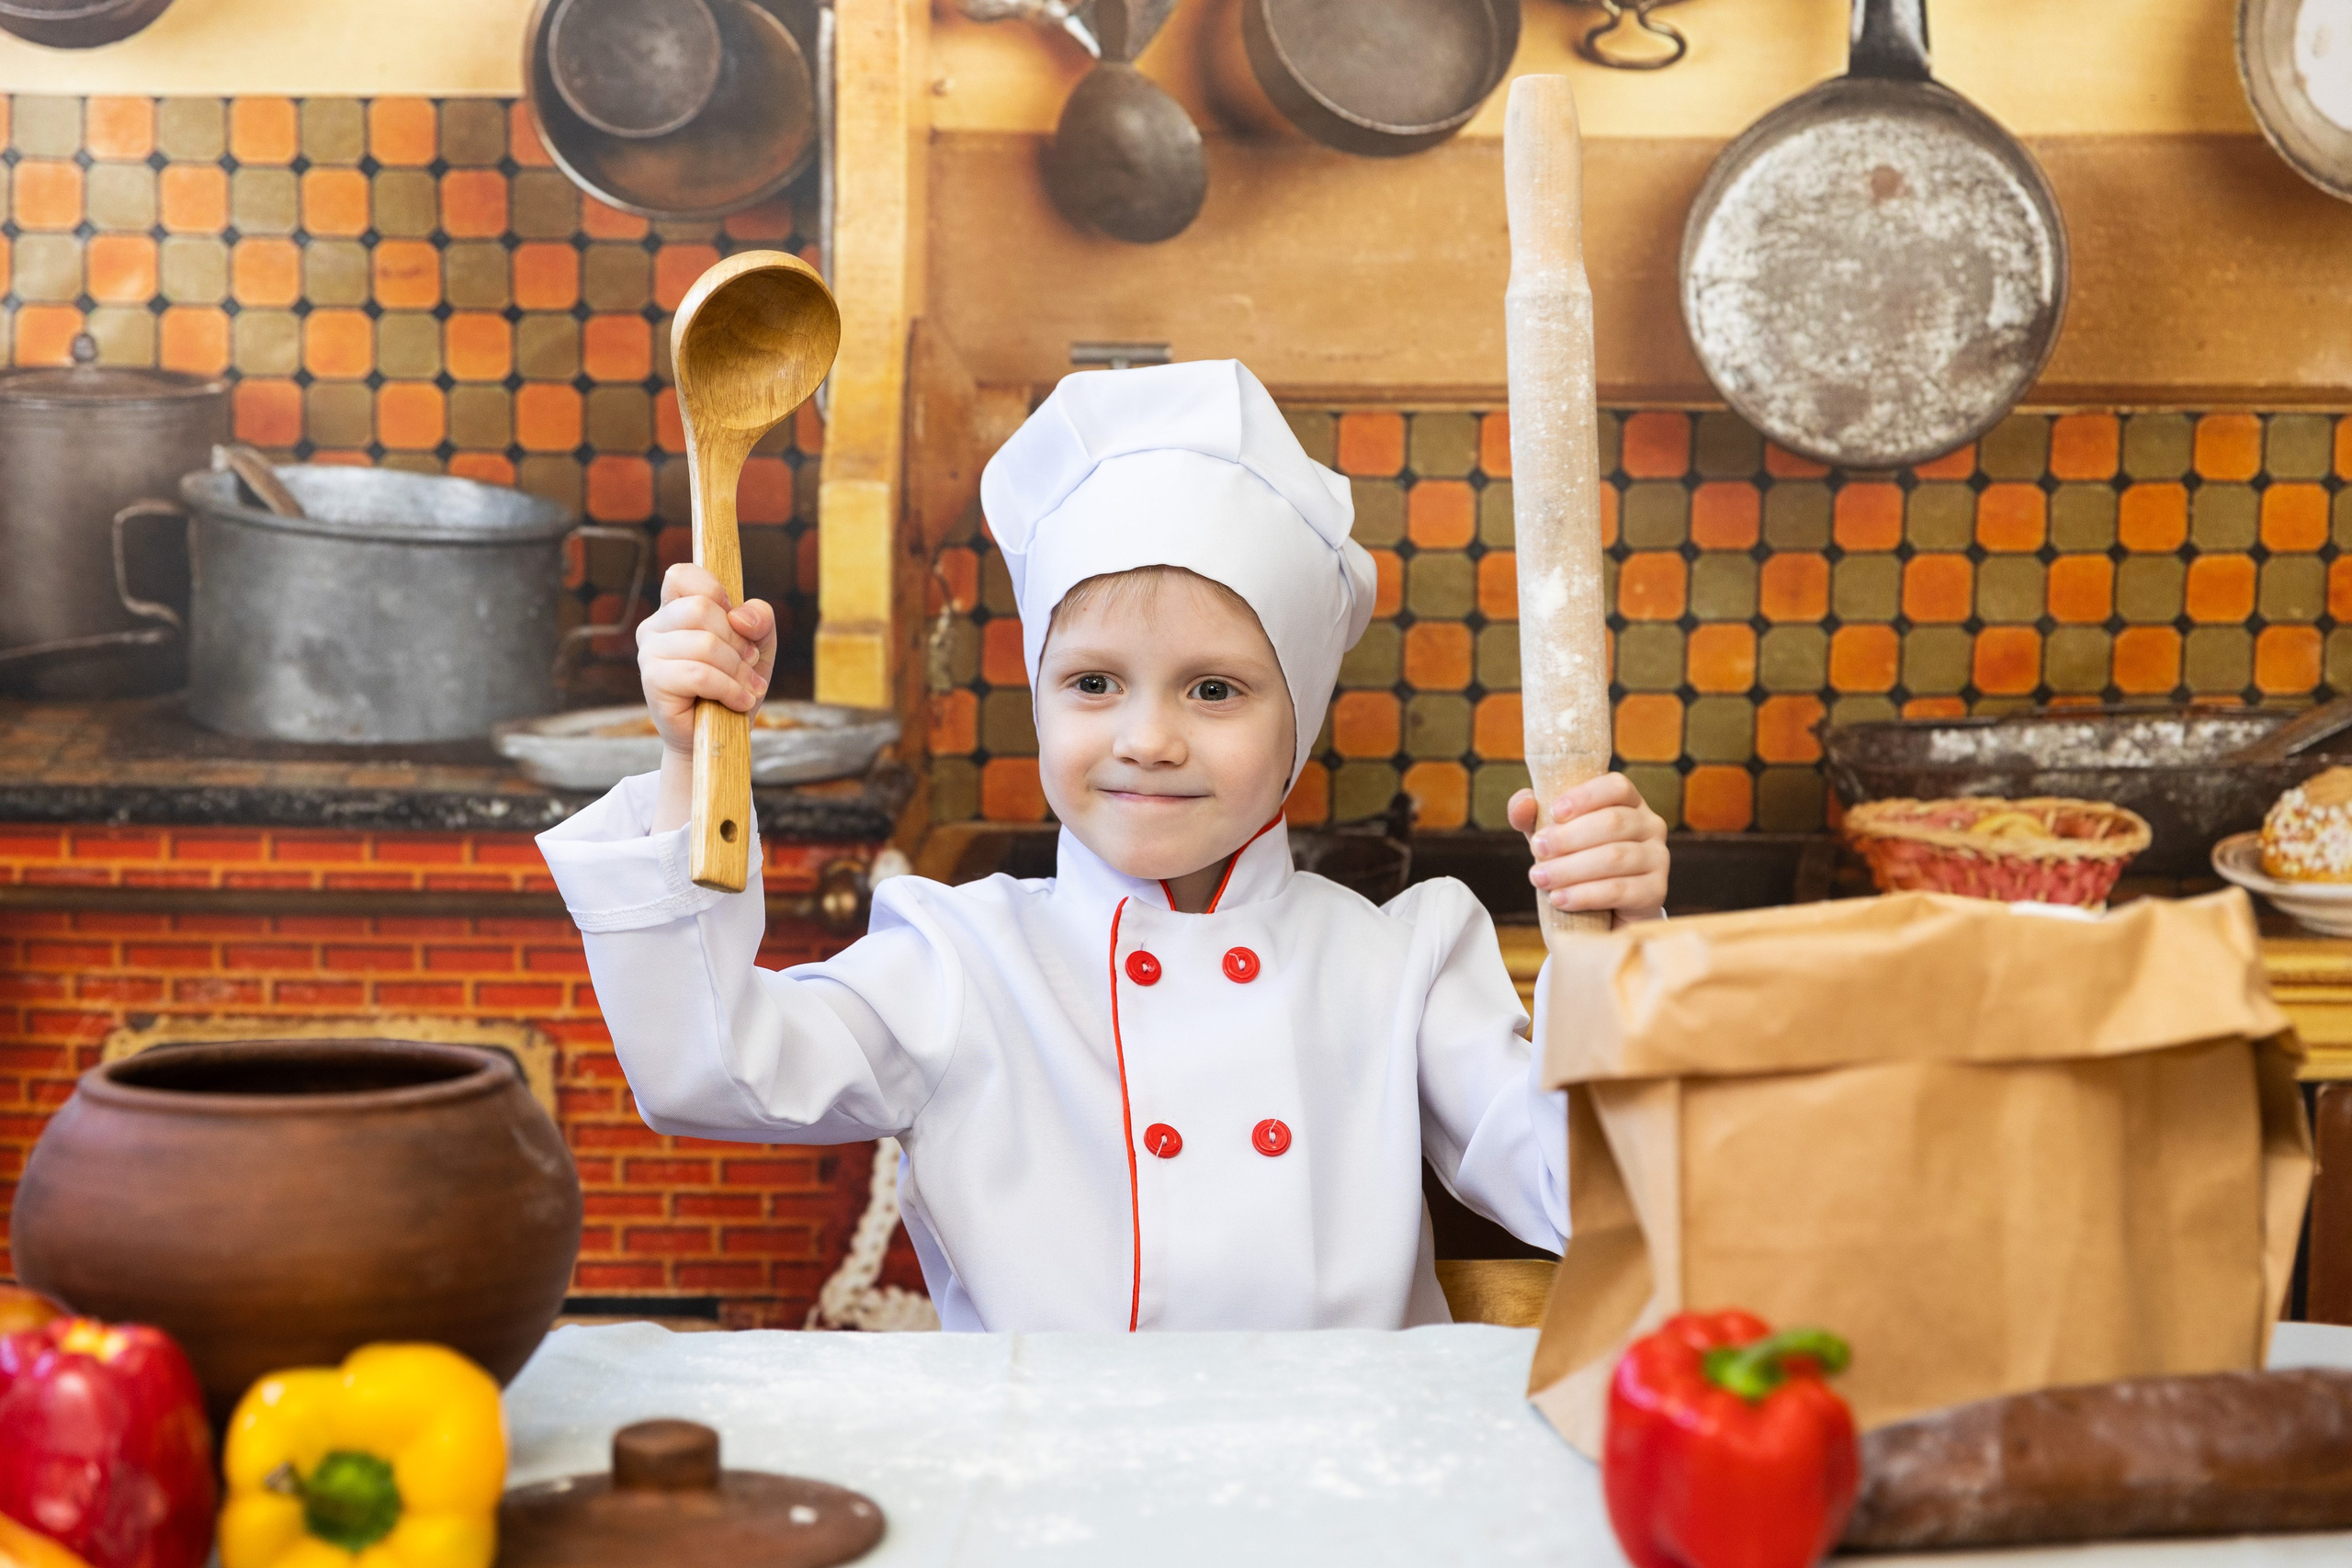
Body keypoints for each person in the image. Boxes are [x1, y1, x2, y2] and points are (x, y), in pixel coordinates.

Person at [538, 359, 1668, 1332]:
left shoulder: (1402, 964)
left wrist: (1611, 956)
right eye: (1092, 684)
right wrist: (697, 760)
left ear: (1301, 721)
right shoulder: (962, 961)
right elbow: (710, 1070)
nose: (1146, 738)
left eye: (1214, 689)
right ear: (1038, 700)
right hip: (1048, 1506)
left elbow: (1598, 1202)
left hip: (1336, 1507)